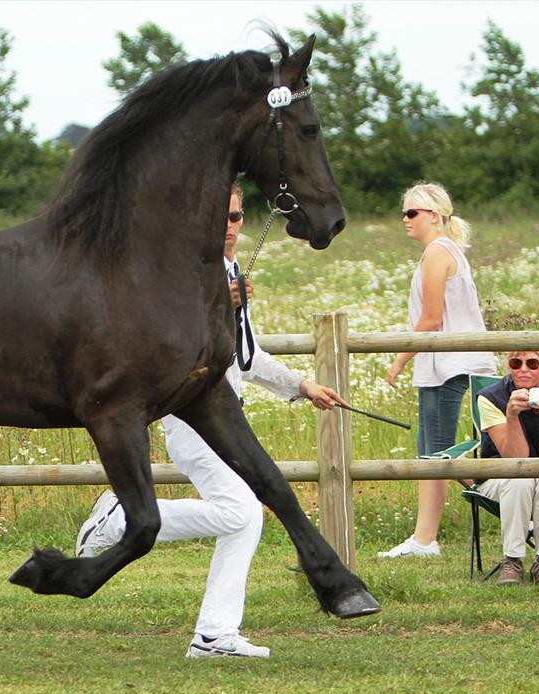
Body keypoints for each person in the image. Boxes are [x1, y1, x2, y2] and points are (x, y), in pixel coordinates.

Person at [74, 182, 348, 659]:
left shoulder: (230, 270)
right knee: (242, 512)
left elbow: (247, 355)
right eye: (220, 216)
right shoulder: (181, 275)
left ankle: (215, 634)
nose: (229, 226)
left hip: (223, 418)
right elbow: (169, 347)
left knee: (242, 518)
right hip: (190, 418)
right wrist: (221, 303)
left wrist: (301, 386)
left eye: (237, 217)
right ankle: (118, 522)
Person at [380, 182, 496, 558]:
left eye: (411, 212)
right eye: (403, 213)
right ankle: (424, 539)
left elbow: (430, 319)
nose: (405, 220)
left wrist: (398, 359)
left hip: (448, 364)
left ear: (433, 215)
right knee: (432, 452)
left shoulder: (437, 252)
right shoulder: (444, 251)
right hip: (440, 364)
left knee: (441, 454)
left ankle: (511, 500)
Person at [475, 351, 539, 586]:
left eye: (532, 363)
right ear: (508, 366)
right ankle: (512, 560)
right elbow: (514, 459)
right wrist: (511, 416)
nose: (523, 369)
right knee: (520, 480)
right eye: (515, 363)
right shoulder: (491, 397)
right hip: (500, 475)